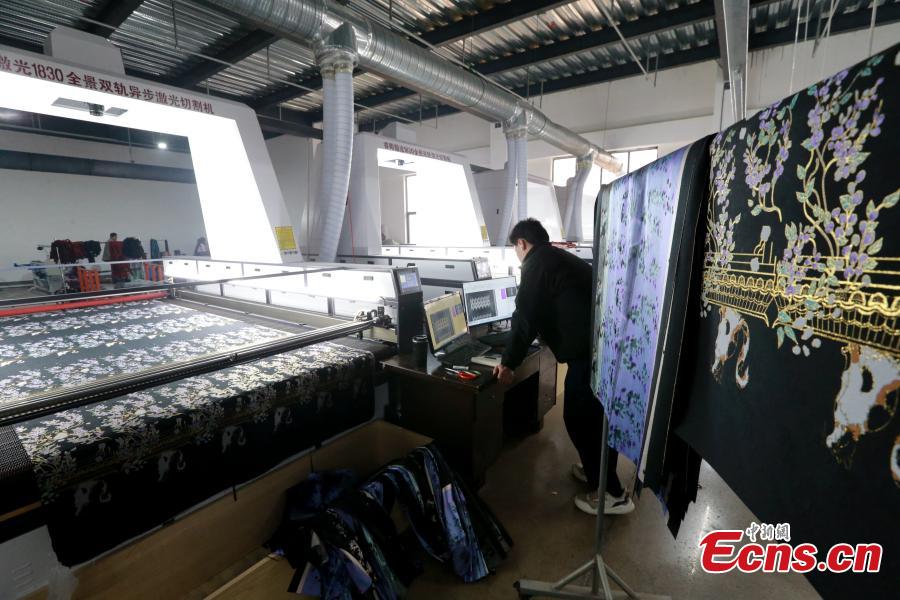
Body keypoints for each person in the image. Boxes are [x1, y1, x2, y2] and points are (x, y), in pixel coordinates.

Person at [493, 218, 634, 517]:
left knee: (580, 417)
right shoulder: (556, 257)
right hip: (602, 347)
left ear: (522, 243)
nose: (517, 254)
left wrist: (508, 362)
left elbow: (525, 316)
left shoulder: (536, 263)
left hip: (589, 353)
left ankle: (611, 493)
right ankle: (597, 471)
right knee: (594, 416)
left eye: (515, 248)